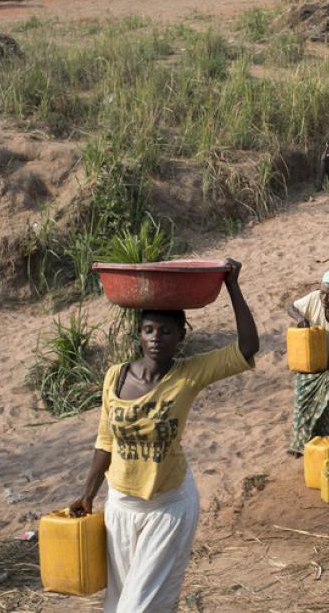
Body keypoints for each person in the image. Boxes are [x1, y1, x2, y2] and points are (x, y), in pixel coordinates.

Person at [69, 259, 259, 613]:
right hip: (121, 506)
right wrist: (88, 494)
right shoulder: (116, 377)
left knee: (137, 609)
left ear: (181, 336)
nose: (157, 339)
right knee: (118, 605)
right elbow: (106, 441)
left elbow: (247, 348)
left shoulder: (189, 374)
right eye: (150, 330)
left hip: (168, 506)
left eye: (167, 331)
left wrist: (233, 286)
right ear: (139, 334)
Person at [287, 270, 329, 456]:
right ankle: (301, 446)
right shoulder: (315, 298)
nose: (324, 298)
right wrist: (301, 318)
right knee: (303, 401)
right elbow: (290, 306)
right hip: (310, 359)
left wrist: (316, 363)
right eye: (322, 292)